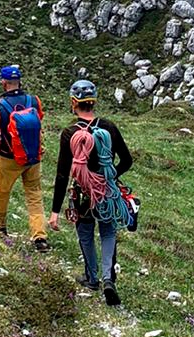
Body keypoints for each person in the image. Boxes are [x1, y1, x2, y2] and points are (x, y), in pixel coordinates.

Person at [49, 79, 133, 305]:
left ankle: (91, 277)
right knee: (108, 233)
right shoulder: (109, 128)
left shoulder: (69, 133)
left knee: (85, 234)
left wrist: (55, 211)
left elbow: (62, 174)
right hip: (107, 192)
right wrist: (110, 176)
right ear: (93, 101)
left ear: (74, 103)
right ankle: (109, 279)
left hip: (83, 194)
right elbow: (127, 160)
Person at [0, 63, 48, 249]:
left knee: (2, 192)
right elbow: (39, 120)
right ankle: (40, 237)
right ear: (19, 81)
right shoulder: (34, 100)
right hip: (33, 158)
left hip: (9, 159)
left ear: (4, 83)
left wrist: (1, 152)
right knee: (34, 196)